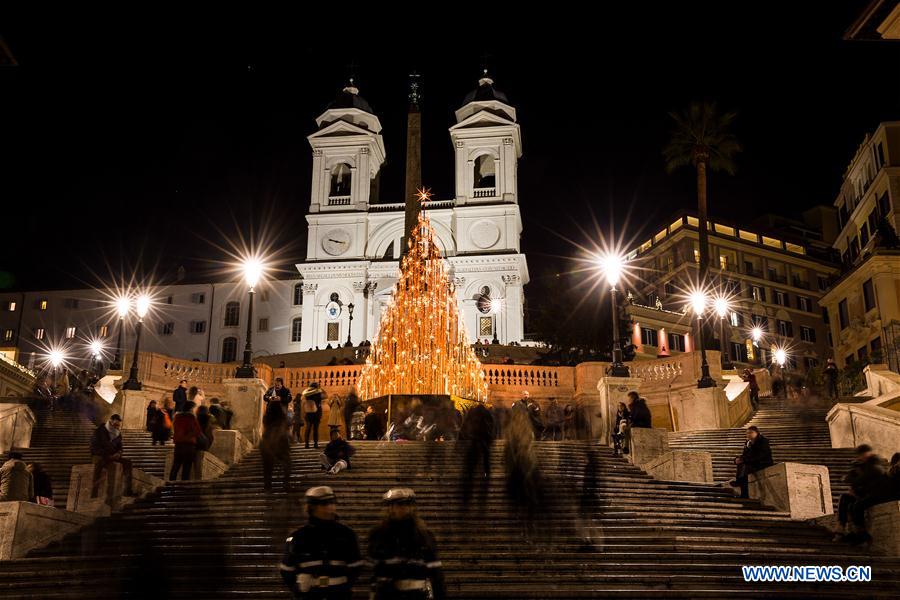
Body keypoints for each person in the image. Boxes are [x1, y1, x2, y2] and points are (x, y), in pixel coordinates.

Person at [279, 486, 362, 600]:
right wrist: (297, 588)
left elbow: (356, 566)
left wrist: (344, 587)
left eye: (332, 503)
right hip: (309, 595)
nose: (331, 507)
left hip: (339, 595)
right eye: (324, 504)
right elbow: (286, 570)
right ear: (311, 507)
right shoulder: (297, 537)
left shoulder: (347, 534)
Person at [368, 488, 446, 600]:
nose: (393, 509)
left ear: (411, 508)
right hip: (387, 595)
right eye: (390, 505)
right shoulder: (378, 534)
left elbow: (436, 572)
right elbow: (374, 571)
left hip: (416, 595)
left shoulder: (424, 536)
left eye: (399, 505)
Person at [835, 444, 888, 545]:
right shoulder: (865, 465)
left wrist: (850, 479)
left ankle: (860, 532)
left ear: (866, 453)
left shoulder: (875, 465)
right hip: (867, 493)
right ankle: (840, 527)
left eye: (860, 455)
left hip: (876, 495)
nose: (859, 457)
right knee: (845, 498)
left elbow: (860, 480)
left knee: (856, 506)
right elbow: (856, 480)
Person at [90, 414, 135, 497]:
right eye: (115, 425)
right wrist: (108, 456)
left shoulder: (117, 433)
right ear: (110, 420)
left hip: (112, 456)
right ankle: (94, 494)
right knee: (99, 465)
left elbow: (120, 447)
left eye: (118, 425)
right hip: (100, 455)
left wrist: (119, 453)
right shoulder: (99, 431)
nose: (116, 427)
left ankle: (127, 491)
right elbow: (94, 448)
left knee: (128, 463)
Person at [459, 402, 495, 503]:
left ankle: (471, 478)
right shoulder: (487, 413)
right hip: (483, 438)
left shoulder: (472, 413)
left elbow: (466, 424)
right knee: (485, 456)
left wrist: (462, 437)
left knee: (473, 460)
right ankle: (486, 474)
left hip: (475, 438)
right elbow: (491, 425)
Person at [729, 426, 774, 499]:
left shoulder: (763, 441)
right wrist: (737, 459)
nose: (748, 435)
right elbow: (744, 455)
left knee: (745, 468)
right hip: (752, 463)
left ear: (757, 433)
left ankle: (740, 485)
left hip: (763, 463)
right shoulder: (748, 442)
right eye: (747, 433)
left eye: (751, 433)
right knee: (742, 466)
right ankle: (743, 492)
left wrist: (745, 460)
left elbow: (761, 456)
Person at [261, 396, 292, 492]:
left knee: (267, 465)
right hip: (281, 440)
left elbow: (265, 424)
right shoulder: (282, 415)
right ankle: (286, 483)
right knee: (286, 462)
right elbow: (288, 424)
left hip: (267, 441)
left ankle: (267, 485)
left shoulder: (267, 416)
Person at [169, 401, 202, 481]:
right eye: (195, 408)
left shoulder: (177, 417)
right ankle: (183, 484)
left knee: (176, 465)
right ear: (191, 408)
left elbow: (174, 429)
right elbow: (197, 431)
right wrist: (189, 436)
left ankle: (170, 483)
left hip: (178, 444)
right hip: (189, 445)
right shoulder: (191, 417)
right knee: (186, 467)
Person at [301, 382, 325, 449]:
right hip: (316, 413)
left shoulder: (306, 394)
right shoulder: (318, 393)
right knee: (315, 429)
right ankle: (315, 443)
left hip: (308, 413)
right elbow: (324, 397)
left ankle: (306, 444)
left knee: (308, 428)